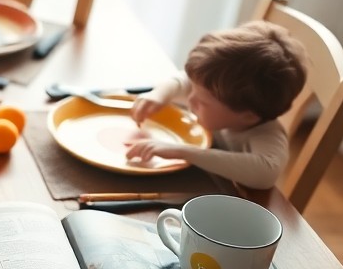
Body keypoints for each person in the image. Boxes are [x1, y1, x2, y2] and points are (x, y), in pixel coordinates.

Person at [126, 21, 308, 189]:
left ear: (248, 115)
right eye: (193, 90)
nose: (190, 99)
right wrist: (159, 94)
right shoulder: (230, 98)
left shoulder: (267, 135)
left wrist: (184, 152)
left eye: (202, 101)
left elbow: (266, 174)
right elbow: (185, 80)